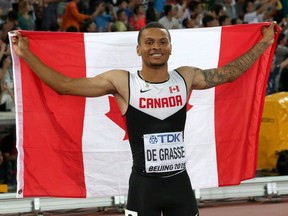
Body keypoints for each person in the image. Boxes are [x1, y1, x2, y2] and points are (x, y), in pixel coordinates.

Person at [11, 21, 278, 216]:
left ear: (171, 48)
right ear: (138, 49)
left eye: (162, 42)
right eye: (149, 42)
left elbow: (229, 73)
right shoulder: (122, 82)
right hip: (143, 188)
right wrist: (27, 54)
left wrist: (264, 43)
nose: (156, 47)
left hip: (180, 185)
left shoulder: (185, 77)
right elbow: (65, 85)